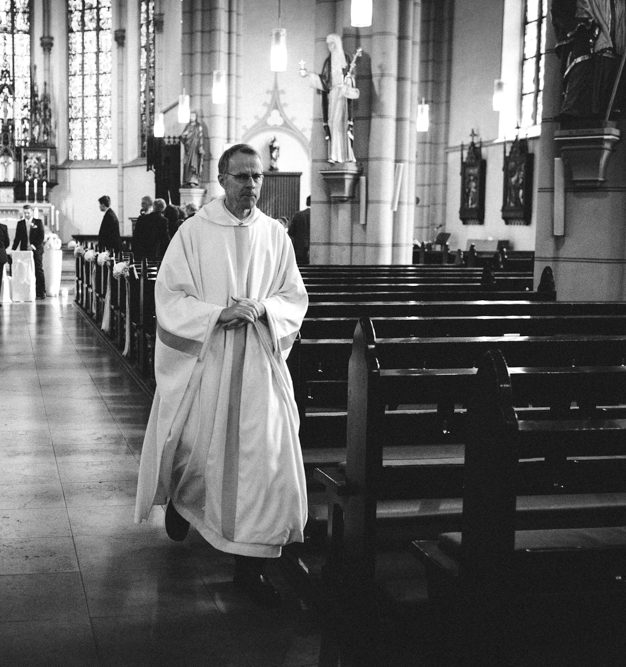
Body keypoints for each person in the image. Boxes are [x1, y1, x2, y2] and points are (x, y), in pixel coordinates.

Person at [135, 144, 308, 608]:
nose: (251, 185)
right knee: (197, 450)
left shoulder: (276, 234)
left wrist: (264, 309)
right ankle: (182, 500)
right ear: (221, 178)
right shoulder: (193, 232)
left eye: (257, 178)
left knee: (264, 462)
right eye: (241, 177)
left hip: (258, 367)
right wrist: (218, 314)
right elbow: (169, 296)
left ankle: (249, 568)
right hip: (208, 362)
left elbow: (294, 296)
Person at [551, 0, 626, 124]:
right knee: (585, 58)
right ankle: (576, 107)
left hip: (615, 15)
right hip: (593, 14)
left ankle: (604, 107)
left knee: (610, 57)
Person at [301, 33, 359, 163]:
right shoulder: (328, 61)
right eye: (328, 44)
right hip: (332, 94)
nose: (330, 47)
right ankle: (334, 154)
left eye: (332, 44)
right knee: (332, 122)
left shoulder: (347, 60)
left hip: (343, 96)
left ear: (337, 44)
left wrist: (348, 81)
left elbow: (352, 81)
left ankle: (345, 154)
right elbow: (324, 81)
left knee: (341, 123)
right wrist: (308, 75)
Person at [12, 204, 46, 299]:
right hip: (24, 251)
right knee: (26, 271)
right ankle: (27, 291)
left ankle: (41, 291)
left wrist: (33, 246)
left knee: (38, 269)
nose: (26, 214)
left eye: (28, 212)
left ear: (31, 212)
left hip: (36, 250)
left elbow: (41, 236)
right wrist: (13, 250)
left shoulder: (38, 222)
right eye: (25, 213)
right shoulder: (20, 223)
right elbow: (17, 238)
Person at [179, 111, 206, 187]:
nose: (192, 117)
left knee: (194, 165)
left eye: (193, 116)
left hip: (195, 149)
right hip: (188, 149)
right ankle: (187, 180)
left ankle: (194, 180)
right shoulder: (187, 126)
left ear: (196, 117)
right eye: (190, 116)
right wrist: (184, 135)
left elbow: (200, 137)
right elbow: (182, 137)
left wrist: (200, 147)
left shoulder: (198, 126)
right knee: (187, 164)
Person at [288, 196, 311, 265]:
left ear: (307, 202)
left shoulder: (298, 215)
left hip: (300, 250)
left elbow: (291, 232)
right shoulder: (320, 216)